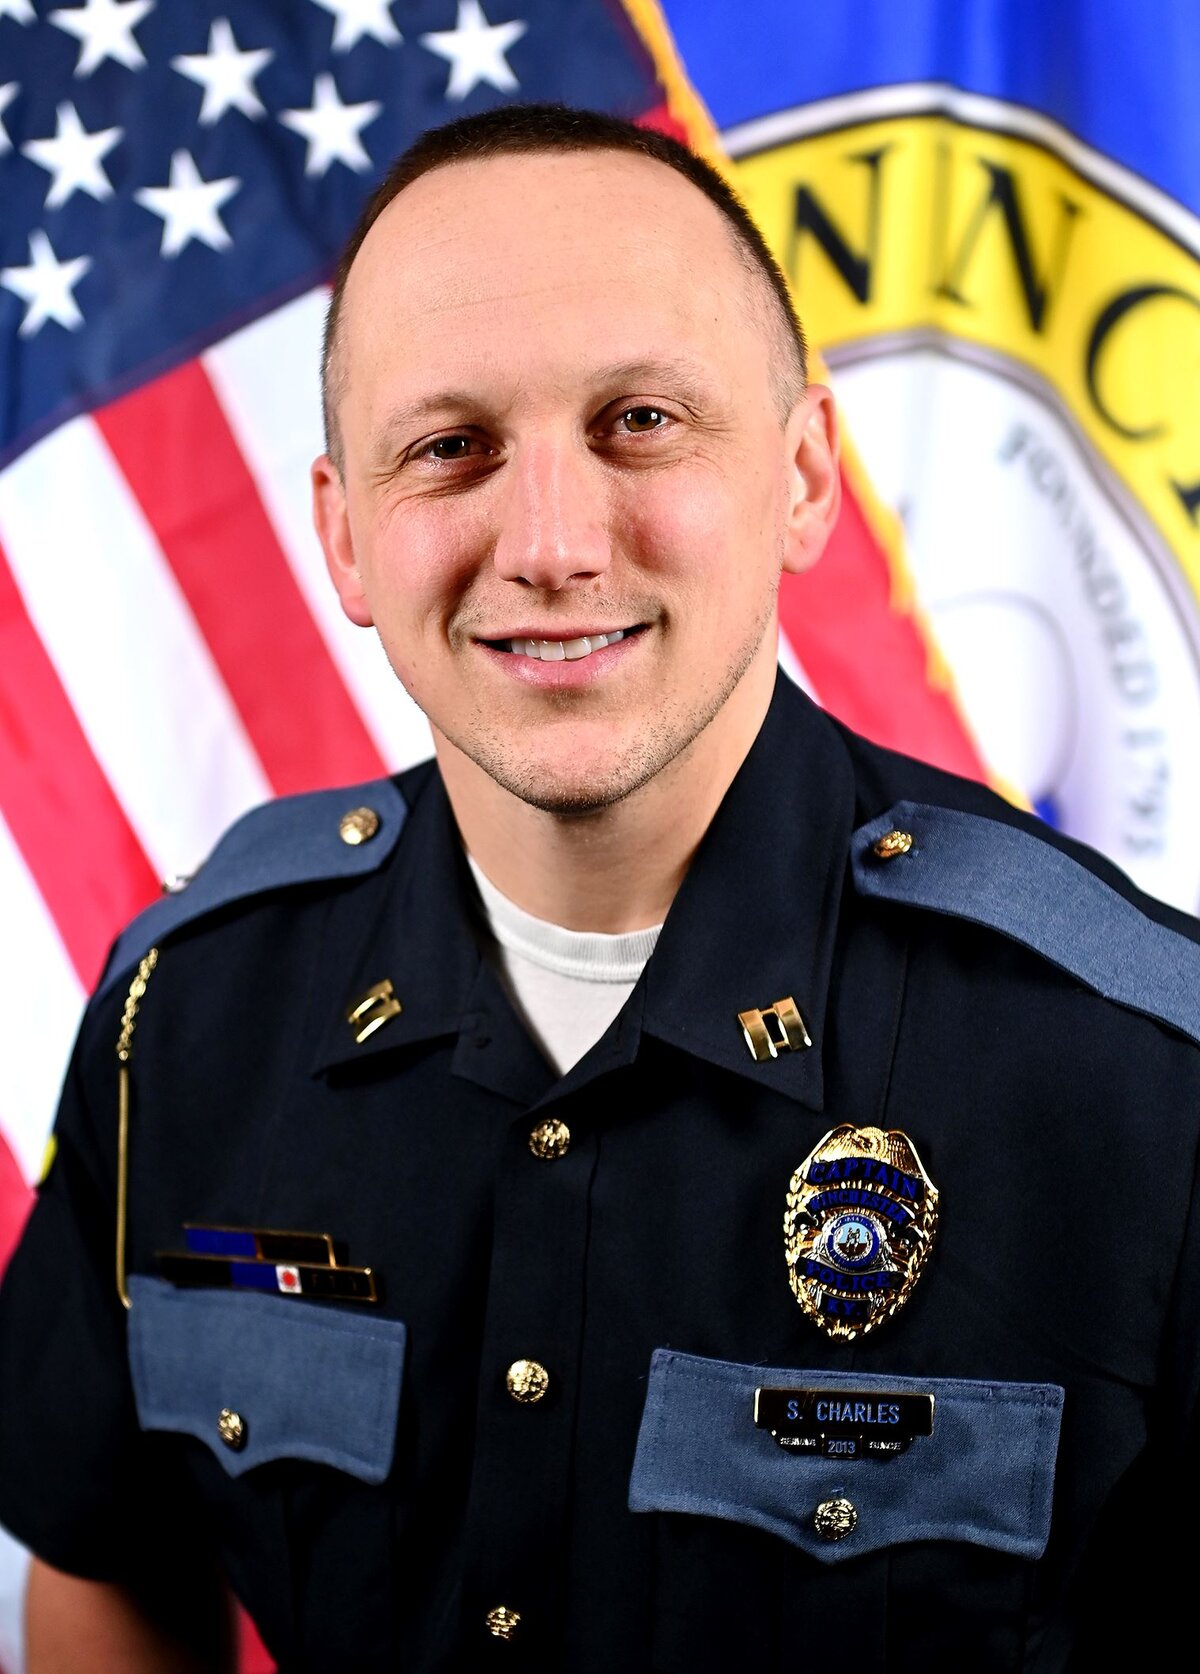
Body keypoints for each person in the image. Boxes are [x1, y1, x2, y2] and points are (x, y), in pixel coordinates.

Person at [1, 102, 1199, 1674]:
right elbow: (104, 1565)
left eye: (640, 420)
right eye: (451, 447)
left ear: (802, 479)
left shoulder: (1139, 1078)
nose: (553, 542)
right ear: (346, 536)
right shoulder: (192, 1008)